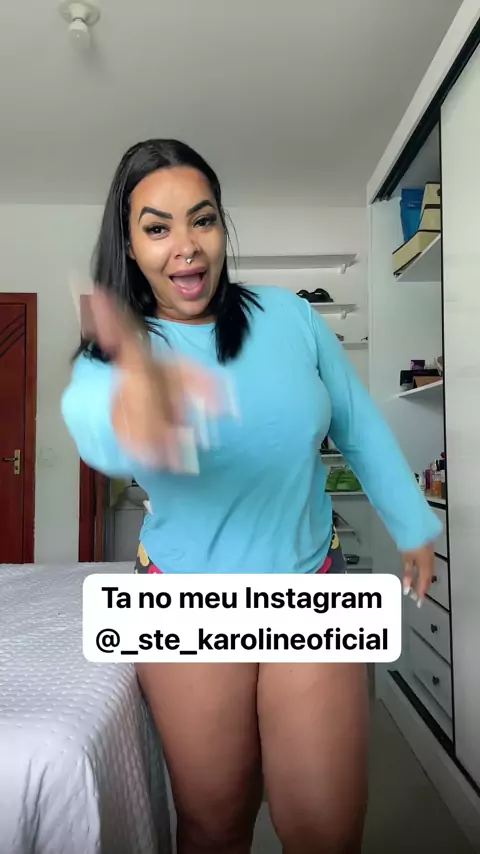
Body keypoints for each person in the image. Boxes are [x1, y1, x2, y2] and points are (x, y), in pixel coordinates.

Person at [61, 139, 442, 854]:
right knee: (215, 825)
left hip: (310, 585)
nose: (186, 246)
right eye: (157, 227)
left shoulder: (291, 317)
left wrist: (411, 522)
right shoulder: (119, 352)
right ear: (129, 244)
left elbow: (356, 422)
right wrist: (137, 411)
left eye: (202, 220)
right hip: (184, 600)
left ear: (221, 225)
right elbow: (96, 430)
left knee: (326, 830)